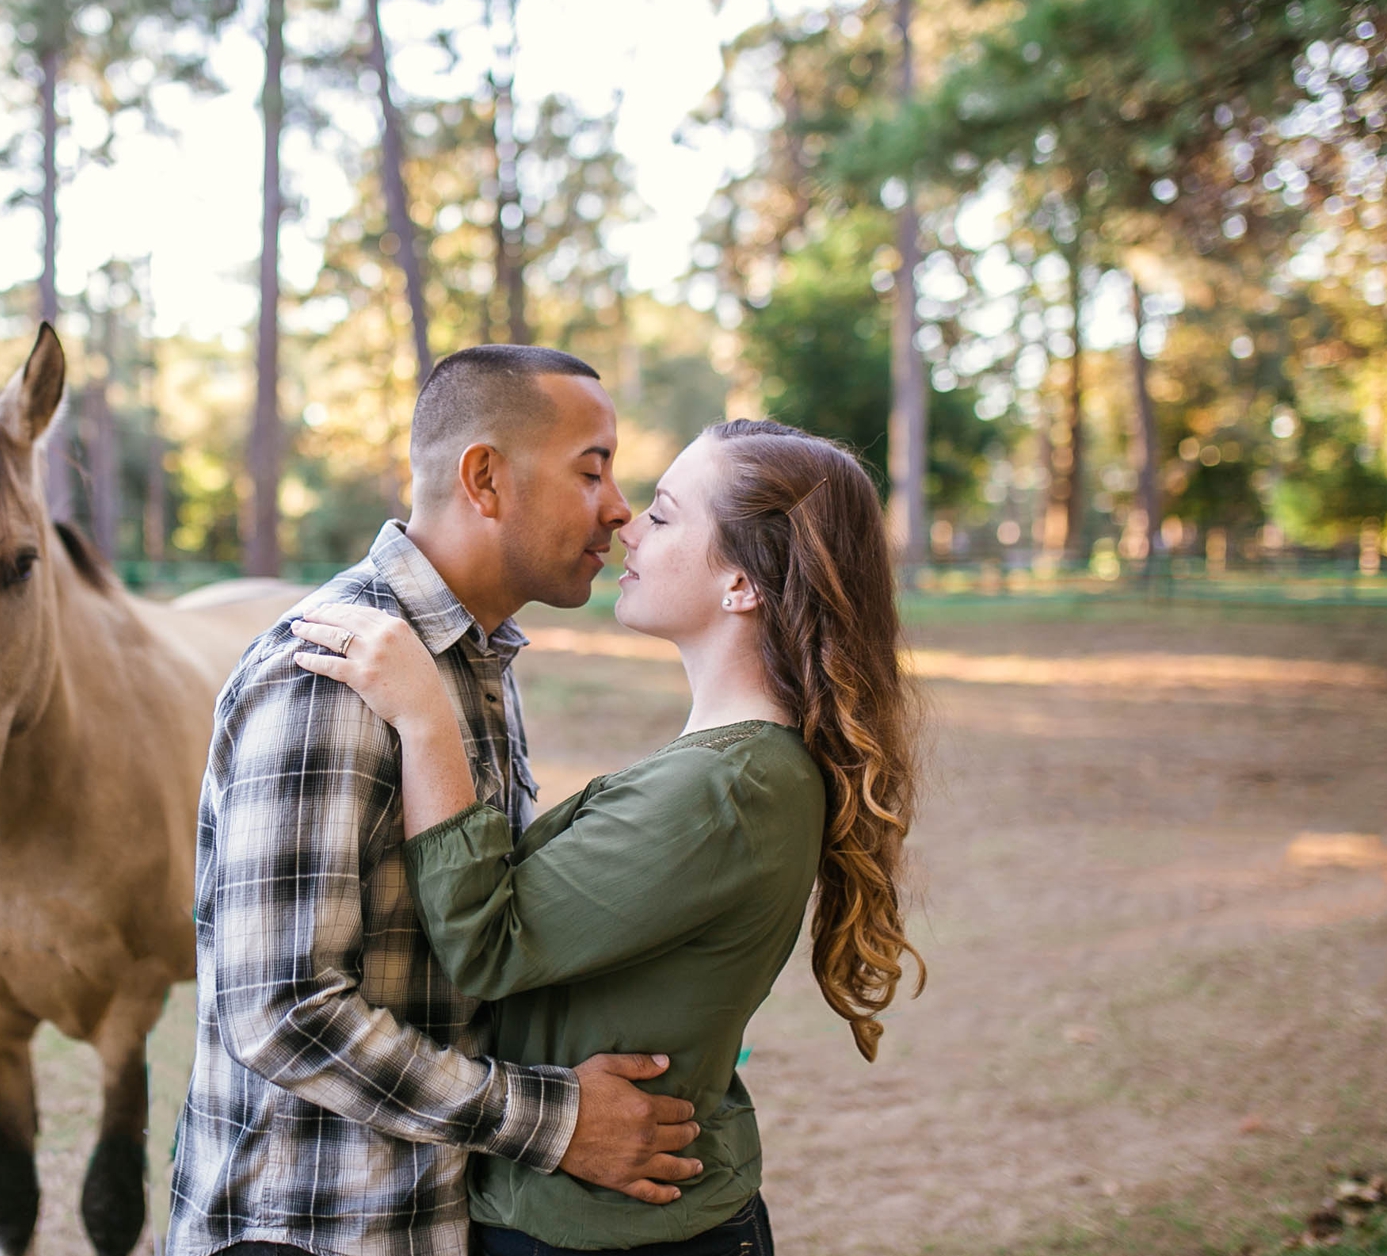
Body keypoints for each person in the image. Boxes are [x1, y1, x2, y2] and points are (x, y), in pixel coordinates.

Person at [291, 418, 923, 1255]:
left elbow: (487, 943)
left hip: (616, 1232)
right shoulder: (729, 767)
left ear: (741, 583)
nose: (627, 522)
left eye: (664, 514)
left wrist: (424, 716)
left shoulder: (732, 786)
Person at [167, 346, 707, 1256]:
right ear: (485, 478)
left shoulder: (475, 662)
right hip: (309, 1229)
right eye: (593, 469)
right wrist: (553, 1121)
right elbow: (281, 1008)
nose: (620, 507)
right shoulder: (333, 673)